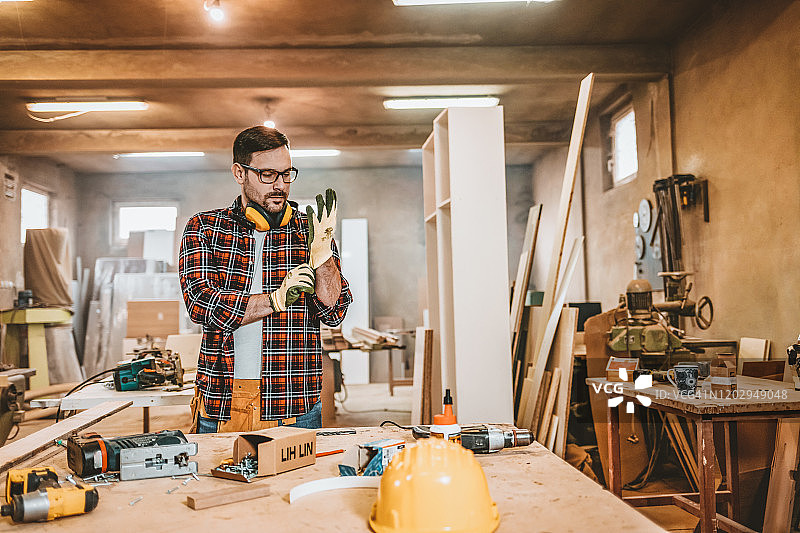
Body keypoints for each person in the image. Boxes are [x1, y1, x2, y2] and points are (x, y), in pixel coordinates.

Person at [178, 126, 352, 433]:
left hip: (296, 402)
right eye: (268, 174)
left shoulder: (308, 230)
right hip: (224, 399)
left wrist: (323, 254)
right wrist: (275, 300)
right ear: (239, 173)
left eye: (287, 174)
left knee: (298, 482)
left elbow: (335, 311)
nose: (280, 186)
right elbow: (201, 305)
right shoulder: (204, 227)